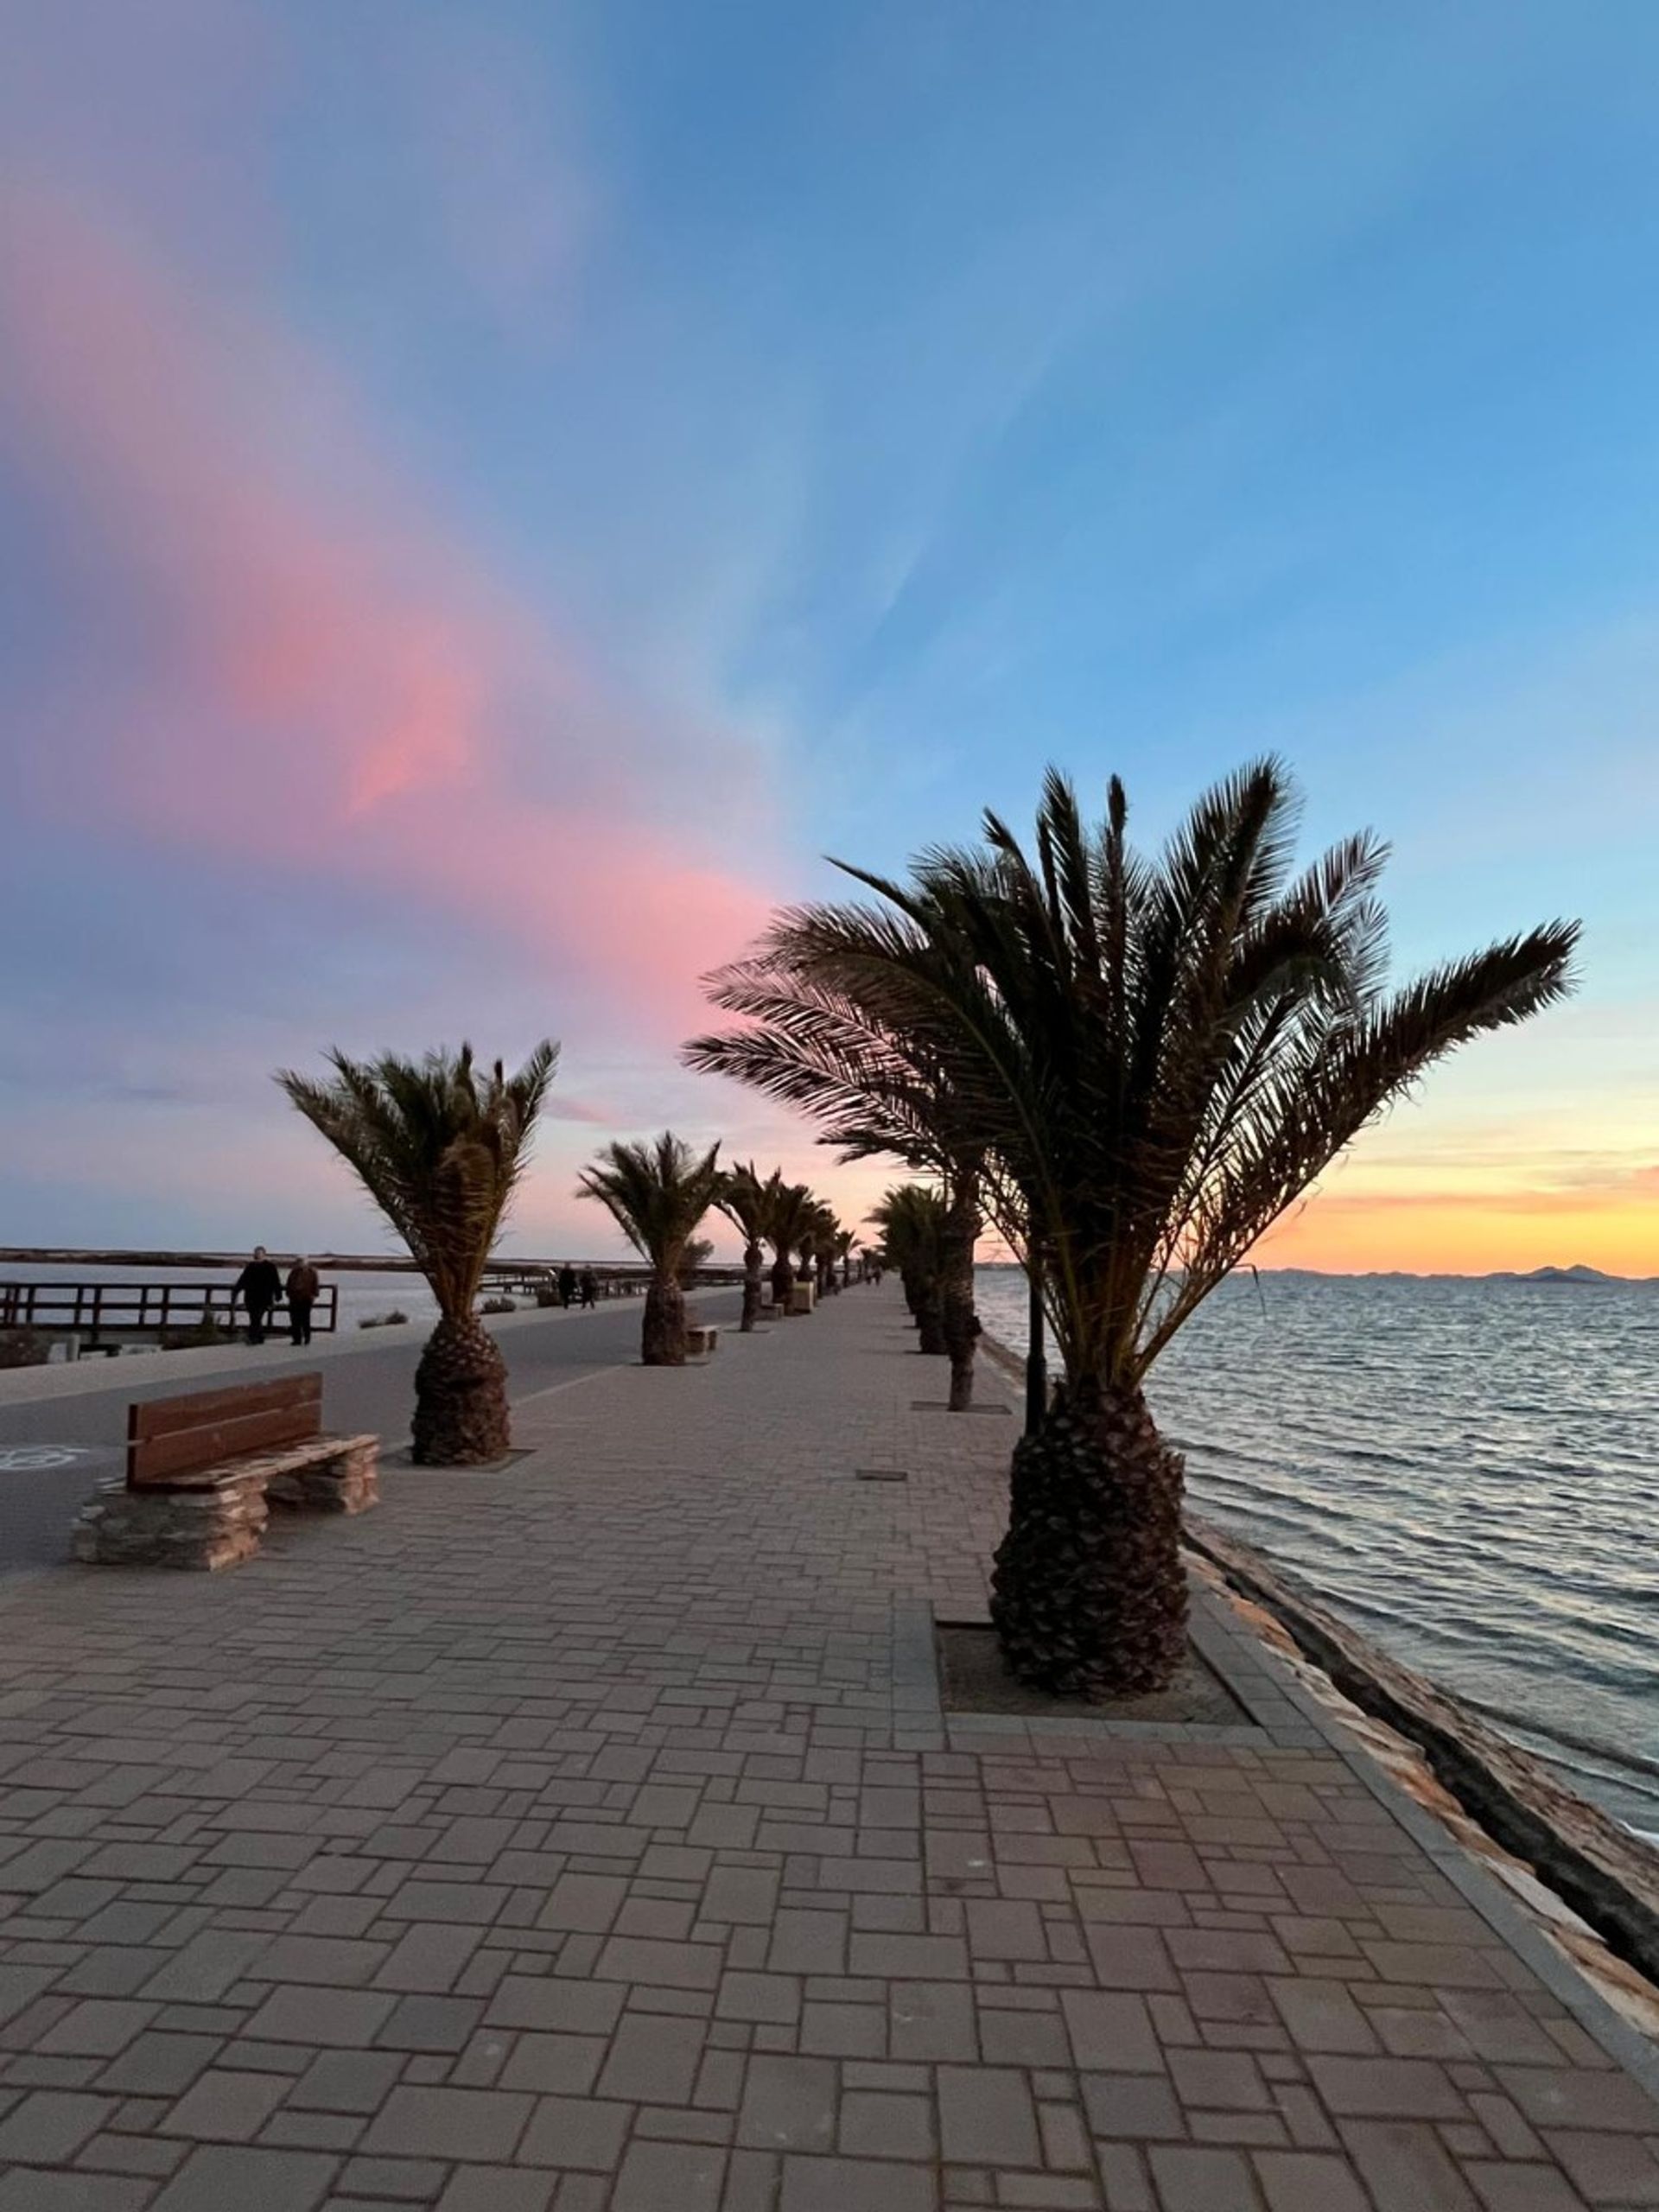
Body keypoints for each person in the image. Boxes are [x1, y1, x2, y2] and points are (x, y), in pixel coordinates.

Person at [234, 1246, 282, 1344]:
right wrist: (236, 1290)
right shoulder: (250, 1266)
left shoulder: (270, 1266)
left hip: (264, 1298)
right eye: (256, 1253)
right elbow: (243, 1280)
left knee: (257, 1317)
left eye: (260, 1253)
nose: (258, 1255)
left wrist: (278, 1294)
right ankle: (260, 1337)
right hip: (251, 1297)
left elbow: (275, 1281)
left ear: (264, 1254)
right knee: (254, 1317)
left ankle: (253, 1337)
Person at [286, 1255, 321, 1345]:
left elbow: (315, 1284)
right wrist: (289, 1294)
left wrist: (314, 1295)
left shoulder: (312, 1272)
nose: (300, 1263)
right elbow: (289, 1283)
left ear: (306, 1262)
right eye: (298, 1262)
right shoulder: (293, 1272)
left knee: (305, 1319)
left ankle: (307, 1337)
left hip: (306, 1298)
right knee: (294, 1320)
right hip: (294, 1299)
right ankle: (297, 1339)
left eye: (302, 1261)